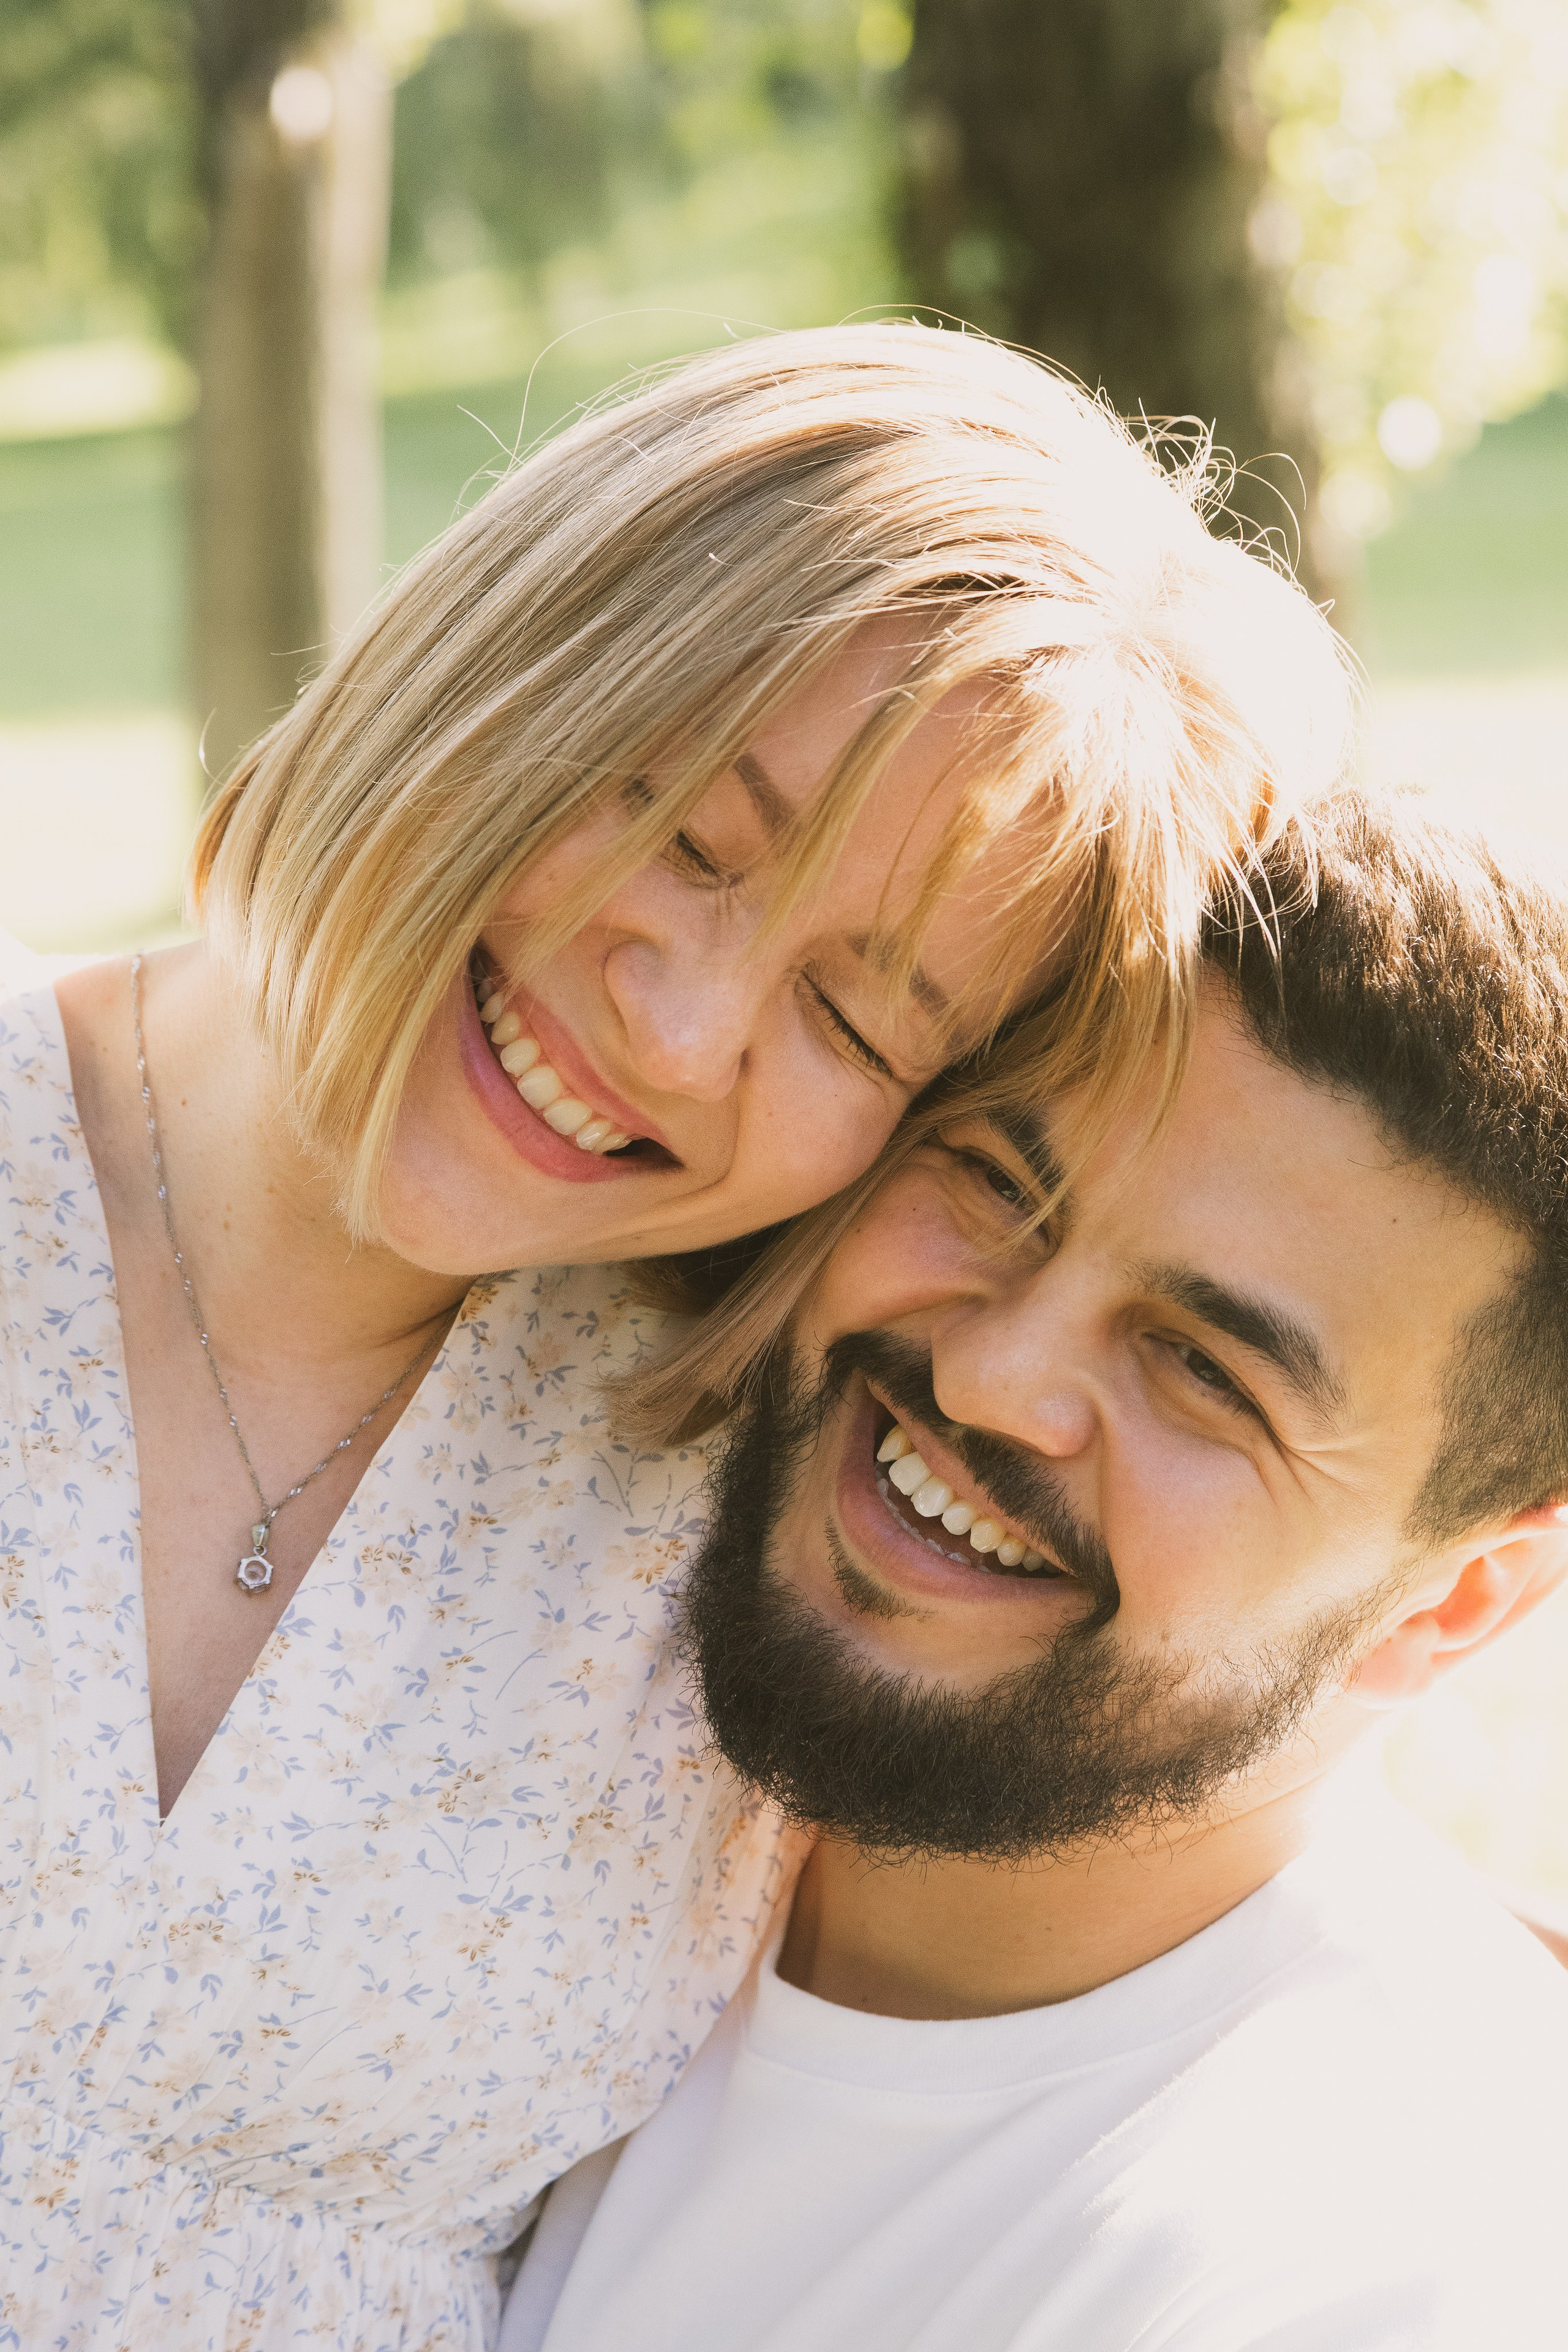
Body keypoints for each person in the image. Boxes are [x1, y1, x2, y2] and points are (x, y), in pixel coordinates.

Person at [0, 325, 1351, 2350]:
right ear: (512, 651)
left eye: (856, 1021)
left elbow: (1203, 1863)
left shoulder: (771, 1505)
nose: (685, 1019)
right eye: (685, 832)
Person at [503, 794, 1568, 2352]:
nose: (993, 1375)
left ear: (1455, 1602)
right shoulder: (582, 1686)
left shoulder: (1348, 2273)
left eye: (1202, 1369)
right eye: (999, 1189)